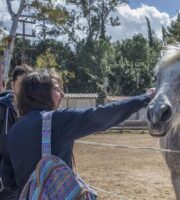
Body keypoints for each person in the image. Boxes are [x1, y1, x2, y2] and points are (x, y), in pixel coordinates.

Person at [1, 70, 155, 198]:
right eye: (56, 88)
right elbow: (103, 115)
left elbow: (9, 182)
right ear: (41, 92)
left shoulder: (13, 131)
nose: (62, 94)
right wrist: (144, 98)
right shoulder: (57, 120)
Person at [0, 64, 33, 200]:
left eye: (29, 85)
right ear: (12, 85)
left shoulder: (35, 111)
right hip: (6, 183)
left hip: (25, 181)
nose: (25, 89)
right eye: (21, 84)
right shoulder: (3, 108)